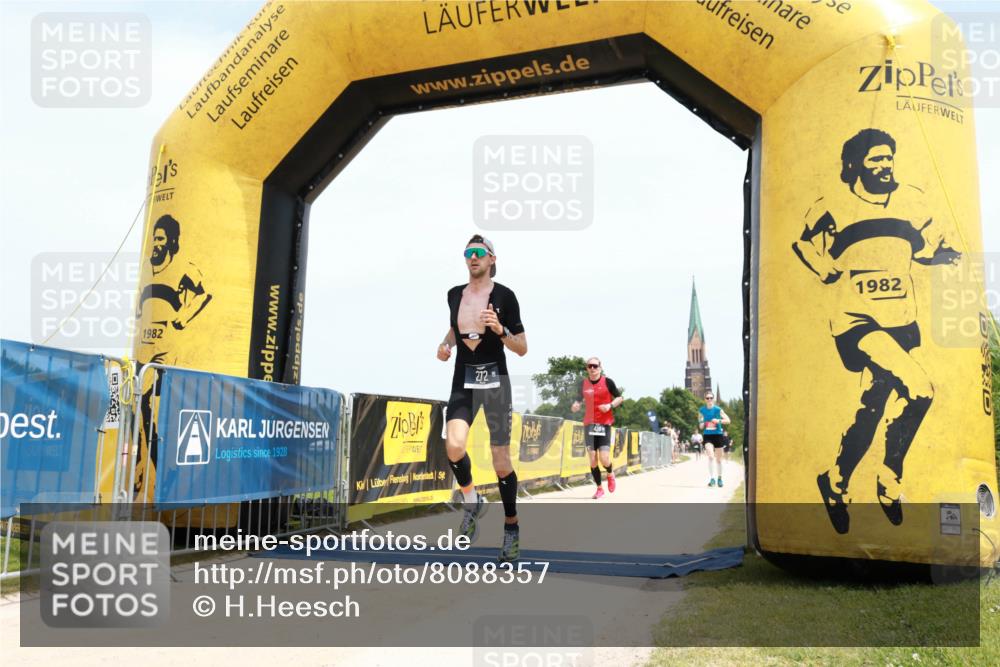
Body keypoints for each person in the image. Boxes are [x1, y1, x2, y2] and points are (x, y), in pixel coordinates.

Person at [792, 128, 960, 534]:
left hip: (900, 320)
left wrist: (943, 257)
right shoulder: (833, 204)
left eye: (888, 158)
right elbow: (803, 242)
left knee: (871, 408)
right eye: (876, 159)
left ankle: (835, 481)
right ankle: (890, 477)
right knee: (920, 389)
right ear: (855, 165)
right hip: (856, 321)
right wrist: (823, 267)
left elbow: (922, 251)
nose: (885, 166)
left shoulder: (912, 200)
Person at [437, 235, 527, 562]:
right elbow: (455, 328)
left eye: (478, 253)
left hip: (495, 380)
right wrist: (445, 345)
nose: (472, 257)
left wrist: (500, 330)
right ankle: (472, 500)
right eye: (468, 253)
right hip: (464, 378)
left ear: (491, 259)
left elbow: (522, 347)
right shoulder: (454, 295)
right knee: (453, 446)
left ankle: (511, 527)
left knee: (500, 460)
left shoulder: (505, 296)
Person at [571, 357, 623, 499]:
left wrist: (609, 406)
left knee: (604, 458)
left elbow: (620, 398)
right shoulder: (583, 384)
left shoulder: (608, 382)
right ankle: (599, 488)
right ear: (587, 368)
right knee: (593, 459)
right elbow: (578, 400)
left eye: (595, 366)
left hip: (604, 424)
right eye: (590, 366)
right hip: (589, 424)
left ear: (600, 367)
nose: (592, 368)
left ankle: (610, 473)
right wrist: (576, 405)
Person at [698, 390, 730, 487]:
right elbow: (700, 426)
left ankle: (719, 478)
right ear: (705, 399)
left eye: (711, 398)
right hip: (708, 436)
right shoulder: (701, 410)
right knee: (711, 456)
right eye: (707, 398)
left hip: (718, 435)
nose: (709, 400)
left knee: (719, 460)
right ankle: (712, 479)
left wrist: (718, 421)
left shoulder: (718, 410)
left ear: (713, 399)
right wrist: (703, 423)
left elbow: (728, 420)